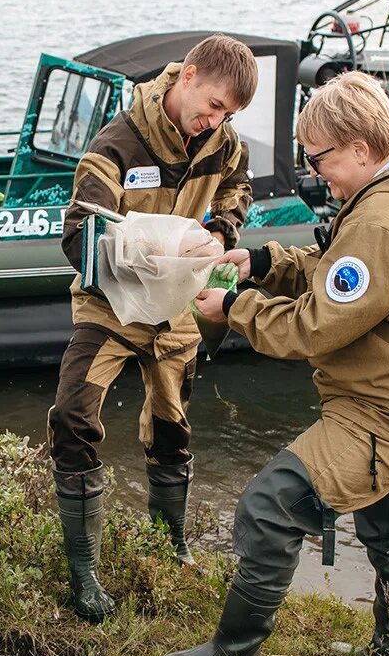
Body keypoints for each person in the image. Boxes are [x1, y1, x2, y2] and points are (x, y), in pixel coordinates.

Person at [160, 71, 389, 656]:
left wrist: (234, 310)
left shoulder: (386, 219)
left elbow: (316, 327)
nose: (317, 174)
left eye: (320, 159)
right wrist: (262, 262)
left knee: (270, 506)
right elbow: (346, 275)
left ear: (360, 149)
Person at [49, 34, 257, 622]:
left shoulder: (224, 142)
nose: (214, 121)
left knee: (173, 428)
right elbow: (76, 237)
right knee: (71, 414)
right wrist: (141, 248)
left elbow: (238, 187)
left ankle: (170, 545)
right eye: (213, 105)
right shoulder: (115, 146)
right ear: (186, 76)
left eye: (228, 115)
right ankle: (85, 570)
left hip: (177, 310)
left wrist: (222, 230)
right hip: (111, 303)